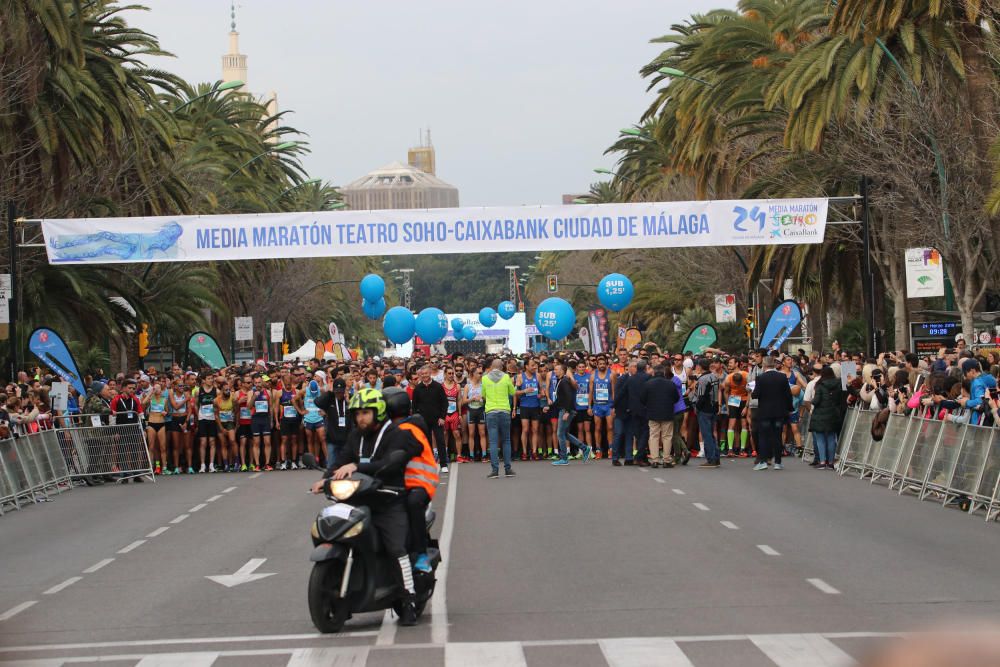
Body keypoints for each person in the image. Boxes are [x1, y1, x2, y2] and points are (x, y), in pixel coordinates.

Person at [311, 388, 423, 626]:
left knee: (395, 547)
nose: (360, 418)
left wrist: (357, 467)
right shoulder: (355, 436)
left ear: (378, 412)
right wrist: (327, 478)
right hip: (359, 499)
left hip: (389, 499)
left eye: (365, 413)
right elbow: (341, 462)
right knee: (333, 528)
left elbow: (391, 463)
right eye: (357, 413)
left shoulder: (395, 434)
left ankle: (408, 599)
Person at [383, 386, 439, 574]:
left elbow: (395, 457)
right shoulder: (388, 429)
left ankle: (421, 553)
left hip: (420, 481)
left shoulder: (407, 430)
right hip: (400, 479)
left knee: (412, 503)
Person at [751, 355, 793, 471]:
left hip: (765, 411)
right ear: (774, 364)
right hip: (779, 411)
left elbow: (755, 395)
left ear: (764, 365)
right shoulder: (782, 377)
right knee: (777, 436)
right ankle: (778, 462)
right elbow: (788, 395)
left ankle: (763, 461)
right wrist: (789, 408)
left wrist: (751, 391)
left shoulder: (761, 378)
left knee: (764, 437)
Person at [482, 359, 516, 478]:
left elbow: (483, 395)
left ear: (491, 367)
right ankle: (508, 469)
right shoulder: (506, 377)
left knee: (493, 442)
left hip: (491, 411)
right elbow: (512, 392)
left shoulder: (485, 378)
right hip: (504, 411)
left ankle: (495, 470)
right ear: (502, 367)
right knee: (506, 440)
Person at [551, 360, 591, 465]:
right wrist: (549, 407)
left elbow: (569, 397)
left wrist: (567, 411)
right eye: (554, 369)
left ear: (563, 371)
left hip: (566, 410)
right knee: (564, 433)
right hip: (564, 409)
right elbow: (560, 399)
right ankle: (585, 448)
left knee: (560, 433)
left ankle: (564, 458)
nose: (554, 371)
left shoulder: (564, 381)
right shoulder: (561, 380)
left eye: (557, 369)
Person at [411, 366, 450, 473]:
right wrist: (416, 420)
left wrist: (442, 417)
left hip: (437, 420)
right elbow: (414, 406)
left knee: (440, 441)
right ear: (420, 375)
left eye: (426, 373)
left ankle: (443, 464)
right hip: (423, 420)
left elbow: (444, 403)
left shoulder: (438, 386)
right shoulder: (418, 389)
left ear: (430, 373)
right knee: (426, 443)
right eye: (422, 374)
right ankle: (429, 464)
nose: (424, 376)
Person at [640, 364, 679, 468]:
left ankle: (655, 460)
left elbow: (642, 399)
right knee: (667, 437)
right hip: (667, 413)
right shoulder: (670, 384)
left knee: (653, 436)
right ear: (664, 372)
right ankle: (666, 460)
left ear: (654, 372)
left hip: (652, 413)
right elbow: (676, 398)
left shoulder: (648, 384)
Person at [808, 366, 844, 469]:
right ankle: (831, 462)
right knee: (831, 438)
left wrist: (812, 400)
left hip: (820, 414)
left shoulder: (820, 385)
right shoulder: (838, 384)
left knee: (820, 438)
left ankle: (822, 461)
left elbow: (816, 401)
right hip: (833, 413)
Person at [315, 377, 350, 473]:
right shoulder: (329, 399)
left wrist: (348, 401)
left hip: (346, 439)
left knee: (345, 467)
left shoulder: (349, 399)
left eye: (341, 391)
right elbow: (317, 402)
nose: (339, 394)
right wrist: (329, 392)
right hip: (332, 439)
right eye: (337, 391)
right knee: (331, 466)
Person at [694, 359, 721, 468]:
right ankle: (716, 457)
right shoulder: (714, 376)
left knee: (707, 435)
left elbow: (701, 396)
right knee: (711, 433)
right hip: (713, 407)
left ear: (700, 367)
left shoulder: (702, 379)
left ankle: (711, 459)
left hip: (705, 409)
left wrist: (697, 407)